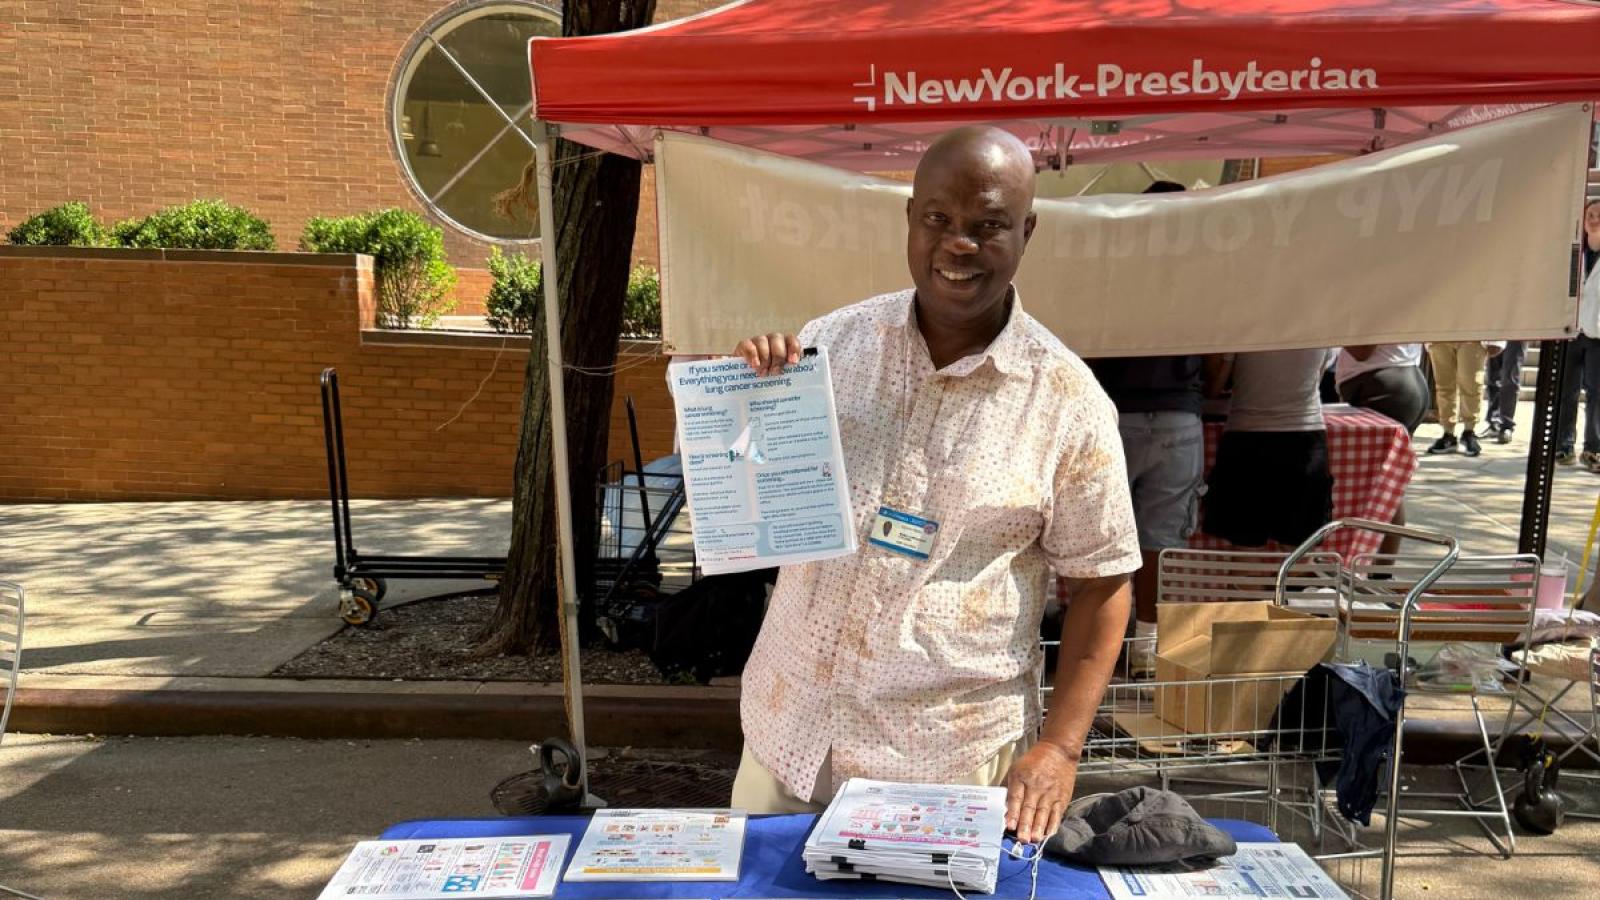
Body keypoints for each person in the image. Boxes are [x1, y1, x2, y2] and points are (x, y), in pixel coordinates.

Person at [728, 127, 1141, 846]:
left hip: (946, 765)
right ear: (910, 220)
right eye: (938, 220)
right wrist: (745, 402)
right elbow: (751, 502)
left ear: (1027, 232)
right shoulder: (831, 346)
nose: (959, 245)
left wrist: (1060, 748)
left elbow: (1104, 584)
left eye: (989, 226)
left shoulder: (1067, 402)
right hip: (787, 738)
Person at [1087, 180, 1208, 675]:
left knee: (1105, 539)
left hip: (1118, 415)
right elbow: (1220, 356)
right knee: (1159, 541)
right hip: (1180, 416)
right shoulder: (1202, 272)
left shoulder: (1116, 272)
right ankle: (1145, 649)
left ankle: (1098, 648)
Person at [1203, 349, 1334, 548]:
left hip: (1246, 436)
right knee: (1300, 552)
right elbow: (1318, 376)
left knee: (1245, 550)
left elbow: (1214, 388)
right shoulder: (1321, 330)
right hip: (1305, 434)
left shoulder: (1237, 330)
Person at [1557, 199, 1600, 470]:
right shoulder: (1574, 252)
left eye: (1598, 215)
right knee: (1567, 390)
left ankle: (1593, 448)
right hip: (1571, 331)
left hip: (1597, 332)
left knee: (1597, 392)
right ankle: (1564, 445)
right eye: (1590, 215)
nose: (1594, 220)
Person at [1483, 340, 1526, 445]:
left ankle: (1506, 425)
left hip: (1517, 334)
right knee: (1493, 376)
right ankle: (1495, 422)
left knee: (1510, 377)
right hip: (1496, 332)